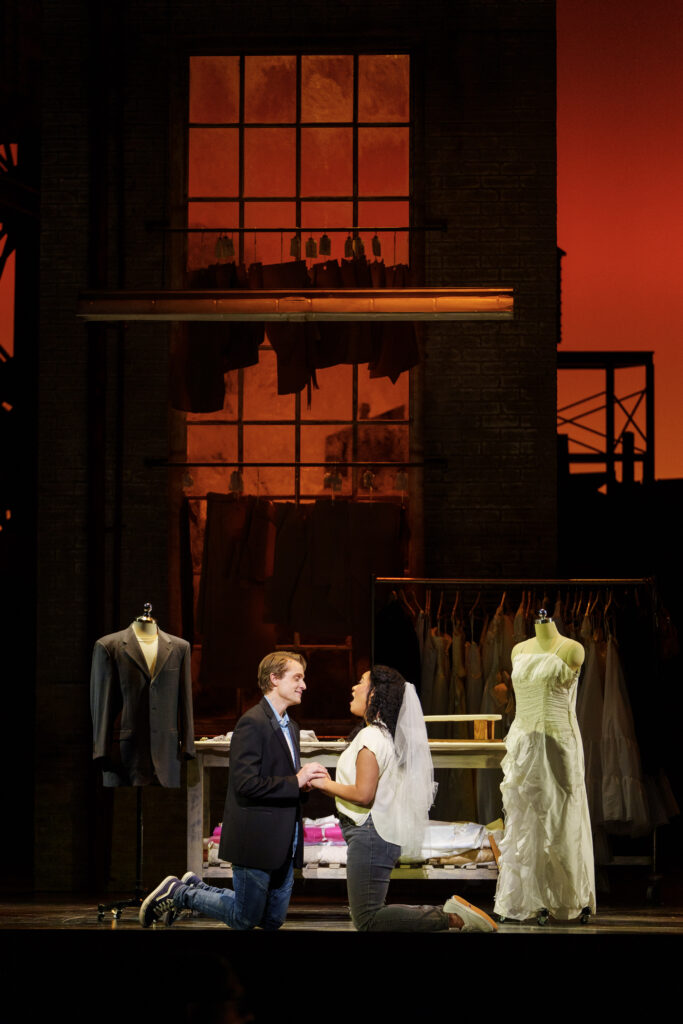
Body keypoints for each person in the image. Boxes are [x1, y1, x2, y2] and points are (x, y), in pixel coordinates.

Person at [139, 651, 329, 929]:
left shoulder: (292, 727)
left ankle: (192, 886)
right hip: (256, 839)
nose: (304, 685)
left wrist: (304, 784)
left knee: (272, 920)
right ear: (274, 679)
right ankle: (181, 893)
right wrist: (295, 781)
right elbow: (245, 783)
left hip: (284, 840)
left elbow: (281, 779)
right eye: (297, 678)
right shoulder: (253, 722)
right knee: (245, 918)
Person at [310, 664, 498, 932]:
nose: (354, 687)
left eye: (361, 682)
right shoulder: (383, 734)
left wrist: (325, 784)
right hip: (373, 833)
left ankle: (450, 918)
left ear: (375, 694)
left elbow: (363, 795)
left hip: (370, 833)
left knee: (367, 918)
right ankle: (448, 915)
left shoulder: (372, 736)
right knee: (368, 916)